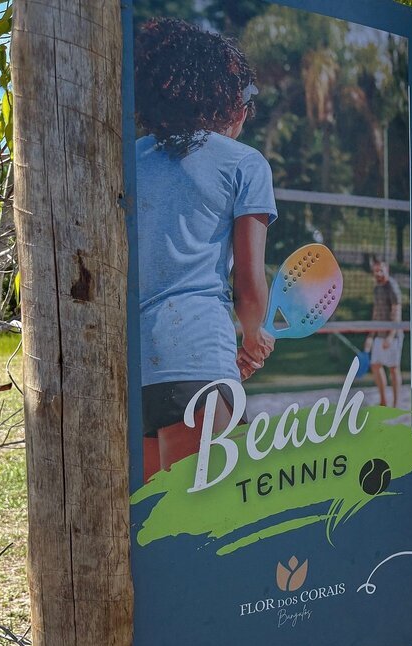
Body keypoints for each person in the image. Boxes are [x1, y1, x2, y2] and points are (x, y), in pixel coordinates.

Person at [134, 18, 276, 481]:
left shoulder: (129, 157)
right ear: (224, 98)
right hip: (199, 358)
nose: (248, 111)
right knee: (199, 534)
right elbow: (249, 282)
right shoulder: (245, 164)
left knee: (150, 533)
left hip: (130, 367)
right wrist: (254, 335)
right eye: (246, 97)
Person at [365, 256, 404, 408]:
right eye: (375, 271)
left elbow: (397, 311)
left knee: (394, 369)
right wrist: (370, 336)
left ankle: (396, 403)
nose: (378, 273)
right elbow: (376, 313)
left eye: (381, 270)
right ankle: (383, 401)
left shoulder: (392, 287)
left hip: (392, 335)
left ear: (386, 269)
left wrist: (391, 335)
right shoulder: (377, 288)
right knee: (375, 365)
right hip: (379, 334)